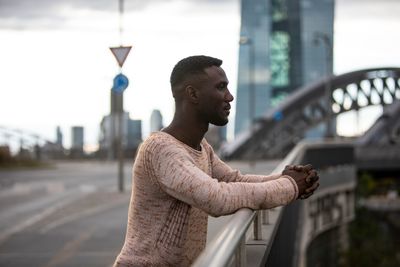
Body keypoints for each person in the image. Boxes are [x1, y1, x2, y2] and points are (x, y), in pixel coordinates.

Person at [113, 55, 319, 267]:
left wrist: (284, 177)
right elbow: (217, 198)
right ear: (192, 94)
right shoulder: (160, 149)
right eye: (221, 88)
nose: (229, 97)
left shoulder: (201, 147)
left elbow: (233, 180)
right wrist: (290, 185)